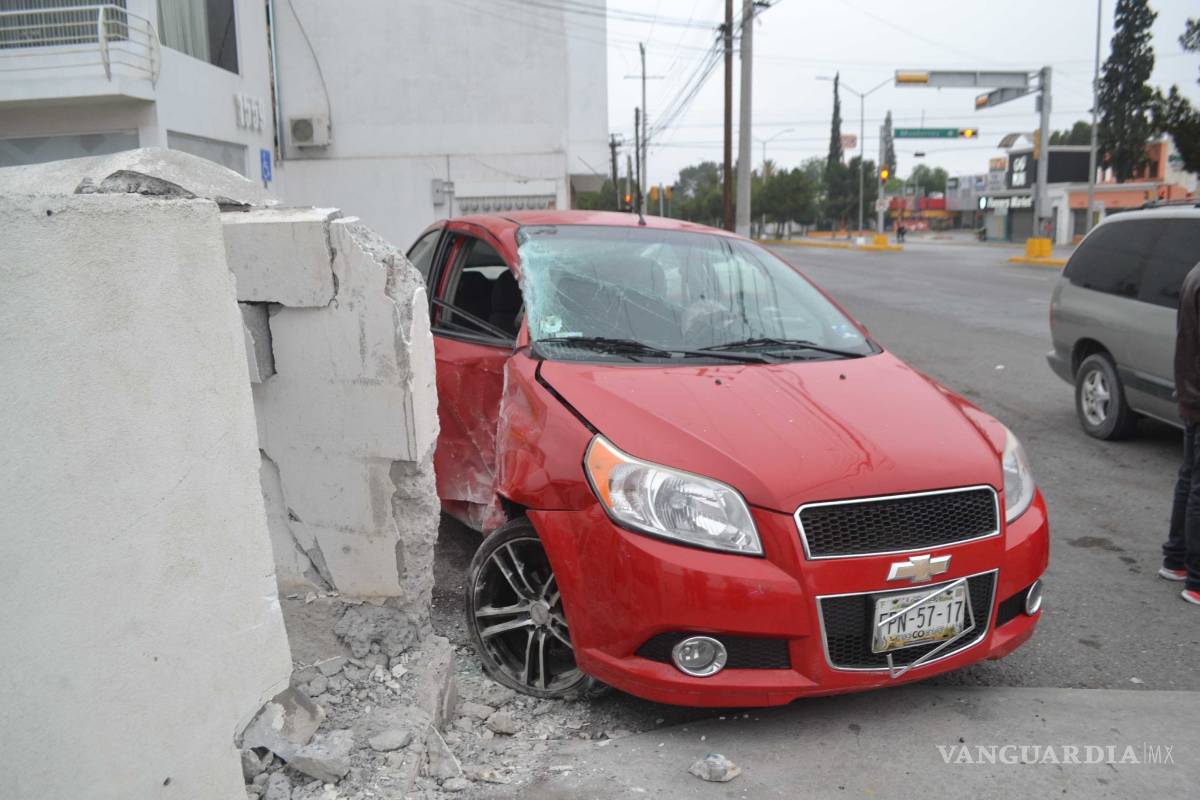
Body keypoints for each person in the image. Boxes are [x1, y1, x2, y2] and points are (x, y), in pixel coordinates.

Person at [1161, 259, 1200, 605]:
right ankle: (1196, 579)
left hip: (1190, 395)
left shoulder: (1194, 273)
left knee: (1188, 479)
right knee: (1197, 487)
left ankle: (1174, 560)